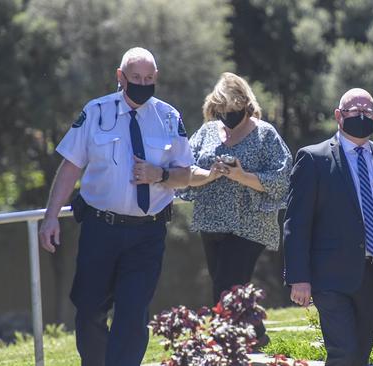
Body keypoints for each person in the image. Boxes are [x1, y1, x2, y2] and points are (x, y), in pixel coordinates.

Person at [38, 47, 194, 366]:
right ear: (120, 77)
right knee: (90, 309)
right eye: (136, 77)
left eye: (149, 78)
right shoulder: (96, 112)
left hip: (147, 234)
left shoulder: (168, 116)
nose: (142, 83)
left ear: (156, 78)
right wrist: (50, 216)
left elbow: (186, 174)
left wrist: (160, 174)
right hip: (100, 229)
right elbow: (71, 167)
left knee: (133, 312)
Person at [283, 88, 373, 366]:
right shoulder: (314, 159)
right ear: (338, 116)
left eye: (367, 112)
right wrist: (299, 276)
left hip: (371, 275)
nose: (361, 116)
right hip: (329, 278)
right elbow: (296, 223)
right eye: (354, 111)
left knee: (360, 355)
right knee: (343, 353)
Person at [177, 72, 292, 348]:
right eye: (221, 109)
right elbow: (185, 167)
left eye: (232, 109)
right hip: (211, 219)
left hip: (250, 223)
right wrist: (210, 174)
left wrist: (240, 175)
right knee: (226, 284)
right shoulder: (206, 131)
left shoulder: (265, 134)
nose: (227, 114)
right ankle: (257, 335)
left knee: (227, 285)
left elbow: (281, 178)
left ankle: (224, 343)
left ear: (244, 103)